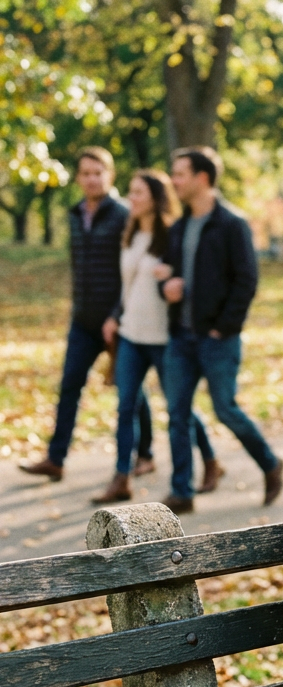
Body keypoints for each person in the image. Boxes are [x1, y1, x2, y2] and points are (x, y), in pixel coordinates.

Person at [158, 147, 283, 513]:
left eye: (180, 174)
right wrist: (165, 289)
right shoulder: (179, 227)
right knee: (177, 413)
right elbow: (168, 275)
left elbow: (247, 280)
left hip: (217, 339)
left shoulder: (232, 224)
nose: (174, 181)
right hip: (180, 336)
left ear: (202, 178)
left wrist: (222, 328)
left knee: (225, 409)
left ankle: (270, 464)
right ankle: (182, 492)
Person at [19, 148, 155, 483]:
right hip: (83, 320)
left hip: (117, 321)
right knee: (69, 386)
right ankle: (56, 458)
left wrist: (118, 315)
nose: (92, 179)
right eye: (86, 173)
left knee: (130, 390)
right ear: (78, 178)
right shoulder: (75, 213)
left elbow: (133, 271)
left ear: (110, 175)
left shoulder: (125, 213)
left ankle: (145, 453)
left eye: (98, 172)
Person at [91, 170, 221, 504]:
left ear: (155, 198)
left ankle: (209, 458)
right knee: (125, 406)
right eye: (131, 192)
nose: (130, 198)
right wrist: (114, 317)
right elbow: (127, 285)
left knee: (180, 409)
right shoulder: (131, 232)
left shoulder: (172, 235)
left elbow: (187, 278)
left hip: (165, 338)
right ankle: (121, 478)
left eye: (138, 193)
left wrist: (172, 279)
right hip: (132, 335)